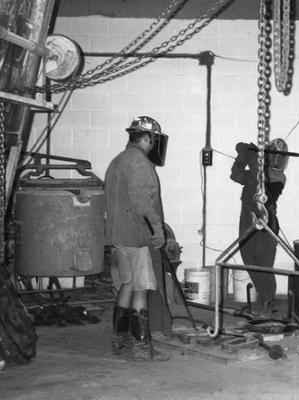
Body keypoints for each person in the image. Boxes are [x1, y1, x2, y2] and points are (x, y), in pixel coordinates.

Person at [105, 115, 169, 361]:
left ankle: (119, 340)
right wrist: (158, 229)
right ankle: (142, 348)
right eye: (153, 140)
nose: (154, 145)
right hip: (137, 236)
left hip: (119, 235)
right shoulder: (140, 163)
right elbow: (142, 203)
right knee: (141, 287)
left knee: (128, 283)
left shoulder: (118, 161)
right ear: (145, 138)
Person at [230, 139, 288, 318]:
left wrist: (252, 155)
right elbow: (236, 175)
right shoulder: (256, 171)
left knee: (264, 264)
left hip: (266, 223)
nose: (277, 160)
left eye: (280, 156)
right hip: (247, 221)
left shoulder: (277, 176)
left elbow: (260, 178)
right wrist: (243, 155)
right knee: (250, 260)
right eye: (274, 155)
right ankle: (264, 299)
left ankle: (268, 302)